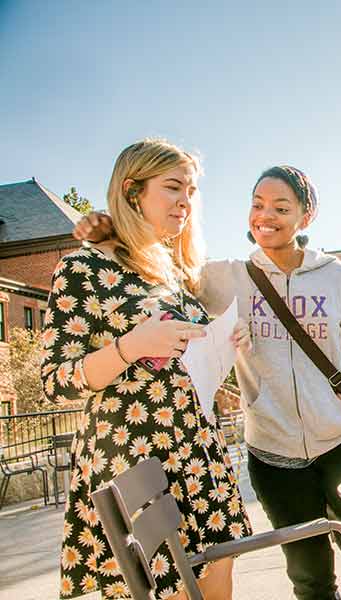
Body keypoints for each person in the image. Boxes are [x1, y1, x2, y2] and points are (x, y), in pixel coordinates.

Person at [75, 165, 341, 600]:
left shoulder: (336, 276)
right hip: (273, 456)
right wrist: (110, 232)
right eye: (257, 205)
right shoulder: (224, 277)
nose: (265, 215)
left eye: (281, 207)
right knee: (311, 581)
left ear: (305, 218)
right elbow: (152, 267)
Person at [46, 138, 253, 600]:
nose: (185, 201)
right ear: (132, 190)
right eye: (174, 187)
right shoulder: (83, 268)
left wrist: (226, 342)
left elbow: (187, 361)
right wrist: (129, 346)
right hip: (134, 459)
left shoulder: (171, 272)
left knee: (218, 584)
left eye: (192, 191)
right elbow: (57, 382)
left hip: (199, 458)